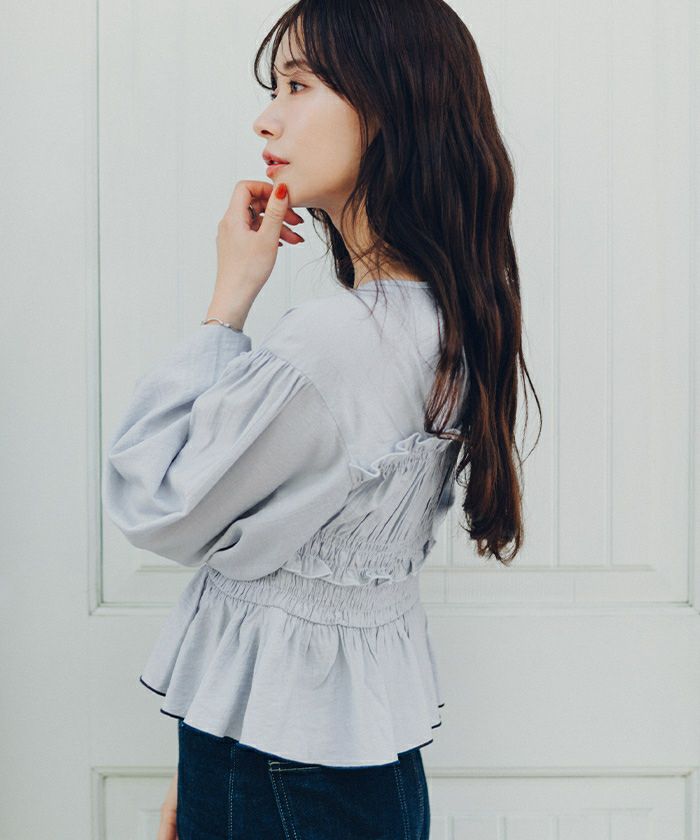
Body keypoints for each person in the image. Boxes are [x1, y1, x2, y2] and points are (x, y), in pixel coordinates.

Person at [103, 1, 541, 837]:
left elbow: (159, 502)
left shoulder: (339, 339)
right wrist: (204, 765)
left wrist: (228, 301)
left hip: (282, 774)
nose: (266, 118)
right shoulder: (445, 317)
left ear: (387, 106)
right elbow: (303, 579)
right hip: (335, 763)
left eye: (298, 86)